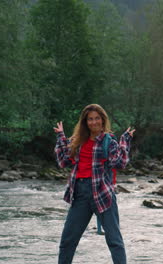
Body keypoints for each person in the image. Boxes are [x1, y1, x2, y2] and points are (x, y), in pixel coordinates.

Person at [54, 104, 135, 264]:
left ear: (102, 120)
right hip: (80, 194)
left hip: (103, 193)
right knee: (67, 242)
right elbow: (63, 161)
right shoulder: (77, 141)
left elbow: (120, 163)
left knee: (114, 241)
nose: (94, 122)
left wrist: (125, 141)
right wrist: (61, 137)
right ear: (85, 122)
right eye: (90, 119)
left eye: (97, 118)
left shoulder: (108, 142)